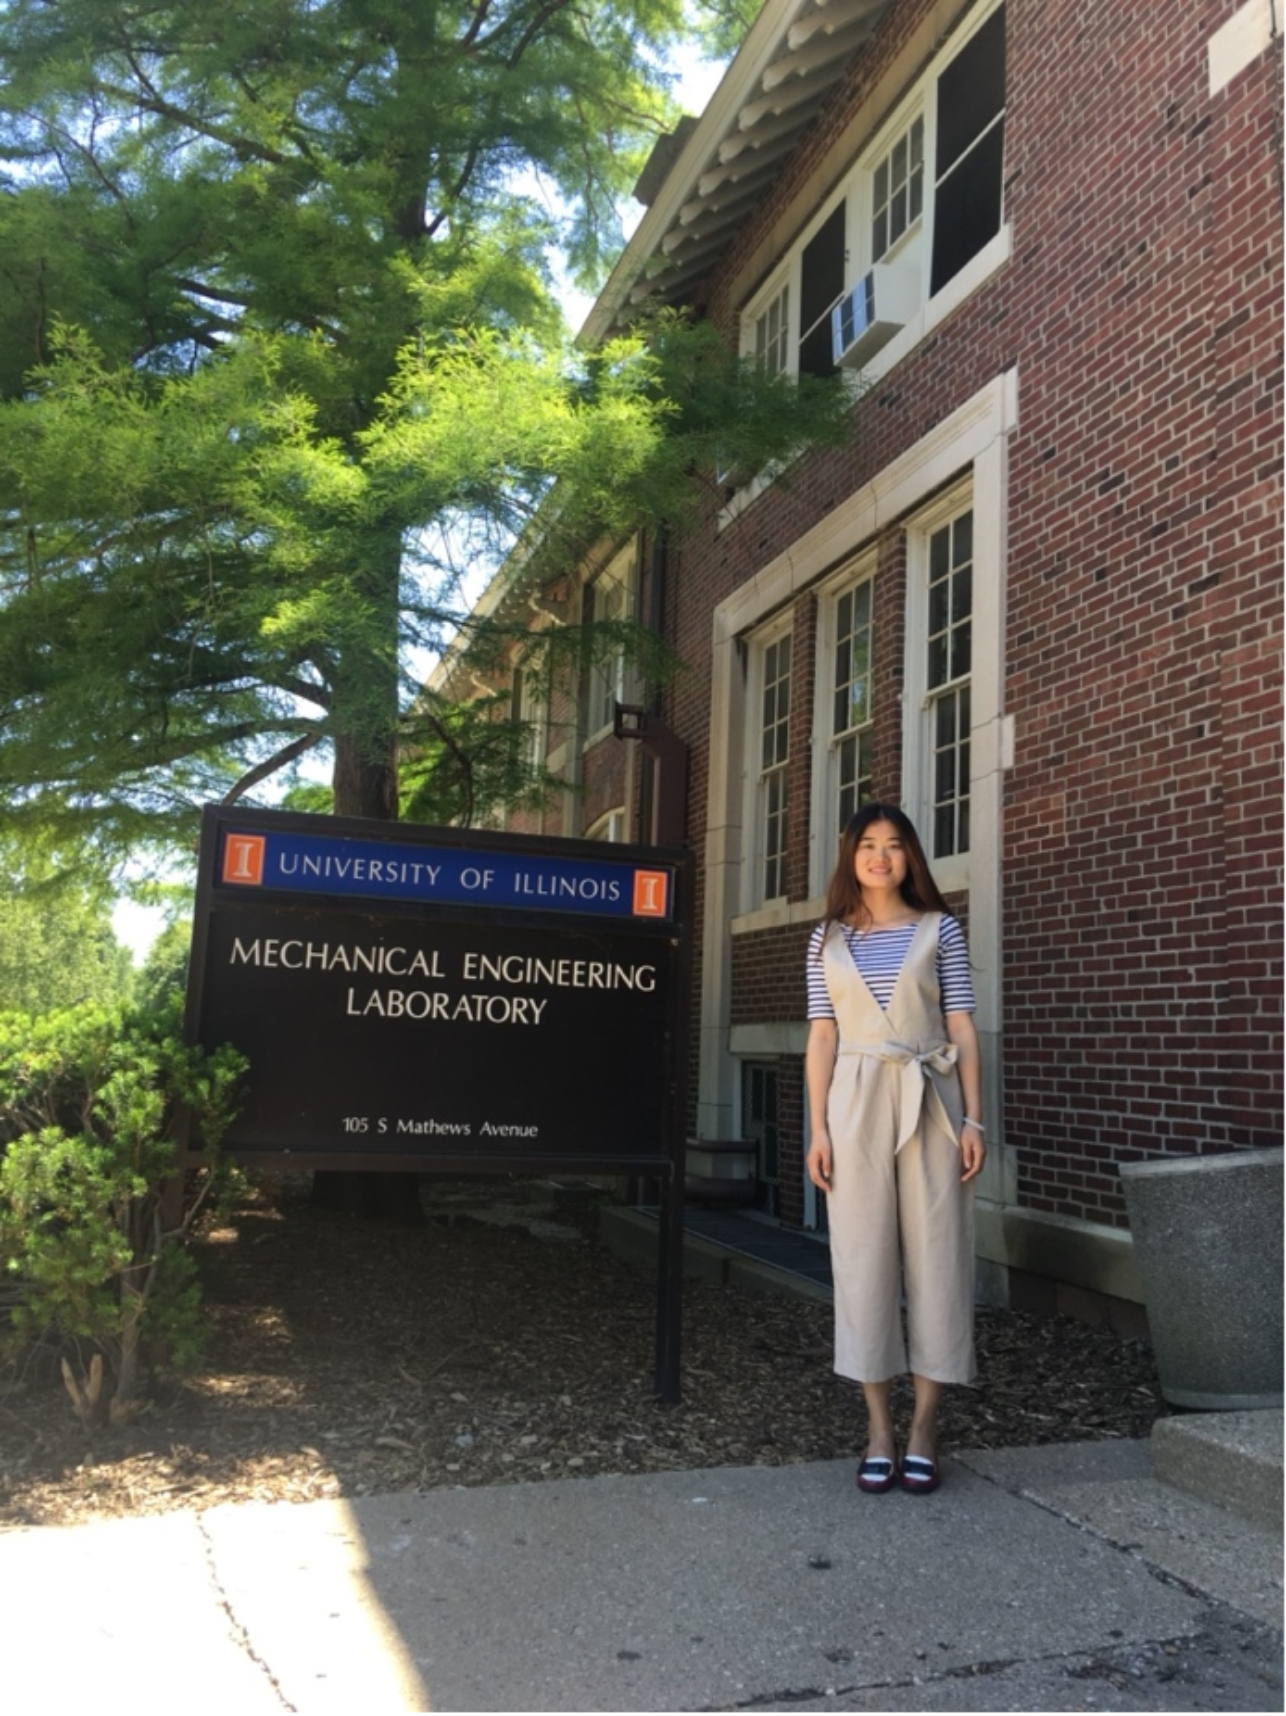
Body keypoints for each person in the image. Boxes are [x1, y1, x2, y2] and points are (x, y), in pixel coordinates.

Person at [805, 803, 984, 1495]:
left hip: (931, 1099)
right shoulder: (825, 938)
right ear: (850, 856)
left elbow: (961, 1025)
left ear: (910, 856)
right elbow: (822, 1035)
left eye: (894, 845)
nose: (880, 856)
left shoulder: (940, 929)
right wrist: (818, 1129)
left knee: (939, 1257)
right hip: (853, 1104)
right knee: (862, 1262)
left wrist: (975, 1121)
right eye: (867, 845)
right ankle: (879, 1428)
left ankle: (924, 1429)